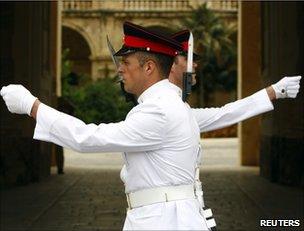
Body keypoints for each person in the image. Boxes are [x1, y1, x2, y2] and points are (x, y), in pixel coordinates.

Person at [1, 22, 214, 230]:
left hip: (164, 220)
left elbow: (88, 138)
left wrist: (32, 106)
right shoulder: (173, 104)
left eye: (126, 63)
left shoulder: (158, 111)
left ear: (149, 67)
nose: (119, 70)